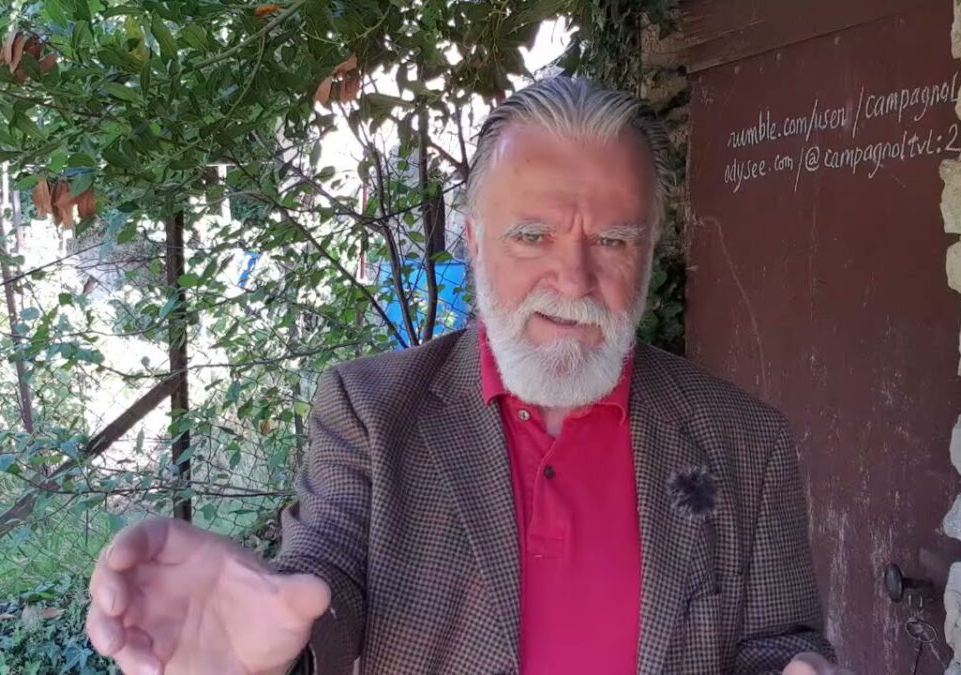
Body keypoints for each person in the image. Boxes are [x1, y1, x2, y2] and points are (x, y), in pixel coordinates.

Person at [86, 77, 850, 675]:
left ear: (650, 252)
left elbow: (777, 640)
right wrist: (270, 643)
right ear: (475, 242)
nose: (574, 278)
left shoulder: (743, 440)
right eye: (532, 236)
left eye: (614, 241)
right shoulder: (372, 413)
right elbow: (320, 582)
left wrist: (797, 665)